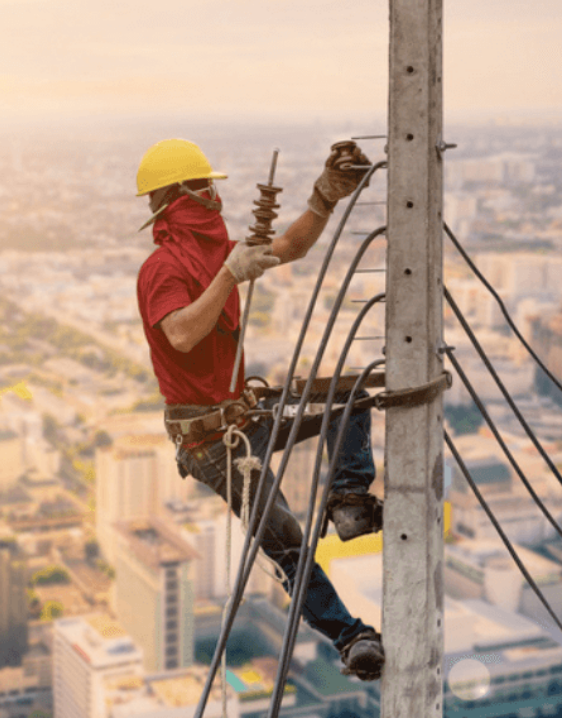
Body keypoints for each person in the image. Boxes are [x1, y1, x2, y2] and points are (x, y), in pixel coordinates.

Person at [135, 137, 384, 681]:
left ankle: (348, 501)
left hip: (244, 419)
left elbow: (290, 245)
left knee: (351, 397)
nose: (213, 197)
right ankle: (351, 638)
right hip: (211, 444)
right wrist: (231, 273)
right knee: (286, 541)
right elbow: (179, 334)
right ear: (178, 197)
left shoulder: (216, 250)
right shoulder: (162, 269)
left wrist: (325, 196)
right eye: (203, 188)